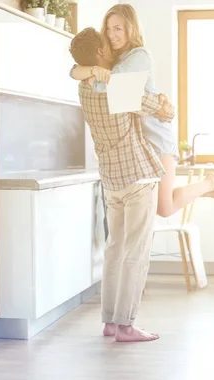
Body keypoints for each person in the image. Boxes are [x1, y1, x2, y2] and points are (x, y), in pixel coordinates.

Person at [69, 4, 214, 218]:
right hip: (141, 142)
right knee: (159, 204)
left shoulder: (139, 56)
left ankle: (209, 183)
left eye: (118, 29)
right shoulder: (117, 58)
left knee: (163, 208)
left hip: (156, 135)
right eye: (108, 29)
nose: (112, 35)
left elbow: (108, 87)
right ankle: (208, 189)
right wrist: (89, 70)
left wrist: (91, 75)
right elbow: (72, 71)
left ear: (130, 28)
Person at [70, 28, 174, 342]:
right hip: (138, 178)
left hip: (111, 181)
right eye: (106, 43)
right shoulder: (116, 88)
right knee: (136, 254)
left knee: (114, 250)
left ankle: (109, 322)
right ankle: (127, 326)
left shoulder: (85, 89)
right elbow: (158, 108)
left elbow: (77, 72)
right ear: (101, 53)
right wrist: (164, 105)